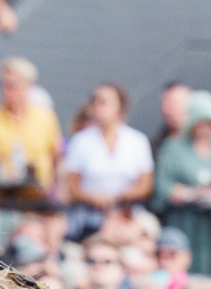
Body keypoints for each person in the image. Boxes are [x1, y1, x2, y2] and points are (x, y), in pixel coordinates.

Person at [152, 91, 211, 276]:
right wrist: (191, 194)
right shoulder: (173, 148)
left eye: (210, 124)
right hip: (186, 222)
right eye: (201, 123)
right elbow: (162, 187)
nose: (205, 129)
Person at [64, 82, 155, 239]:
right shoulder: (80, 141)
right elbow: (71, 187)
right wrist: (93, 197)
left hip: (128, 213)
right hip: (89, 215)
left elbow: (145, 185)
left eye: (104, 102)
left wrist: (120, 197)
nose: (99, 107)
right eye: (96, 101)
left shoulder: (137, 140)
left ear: (120, 107)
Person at [0, 57, 63, 190]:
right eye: (3, 85)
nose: (6, 91)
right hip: (5, 194)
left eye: (12, 85)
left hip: (41, 194)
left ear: (28, 86)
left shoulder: (45, 117)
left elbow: (57, 157)